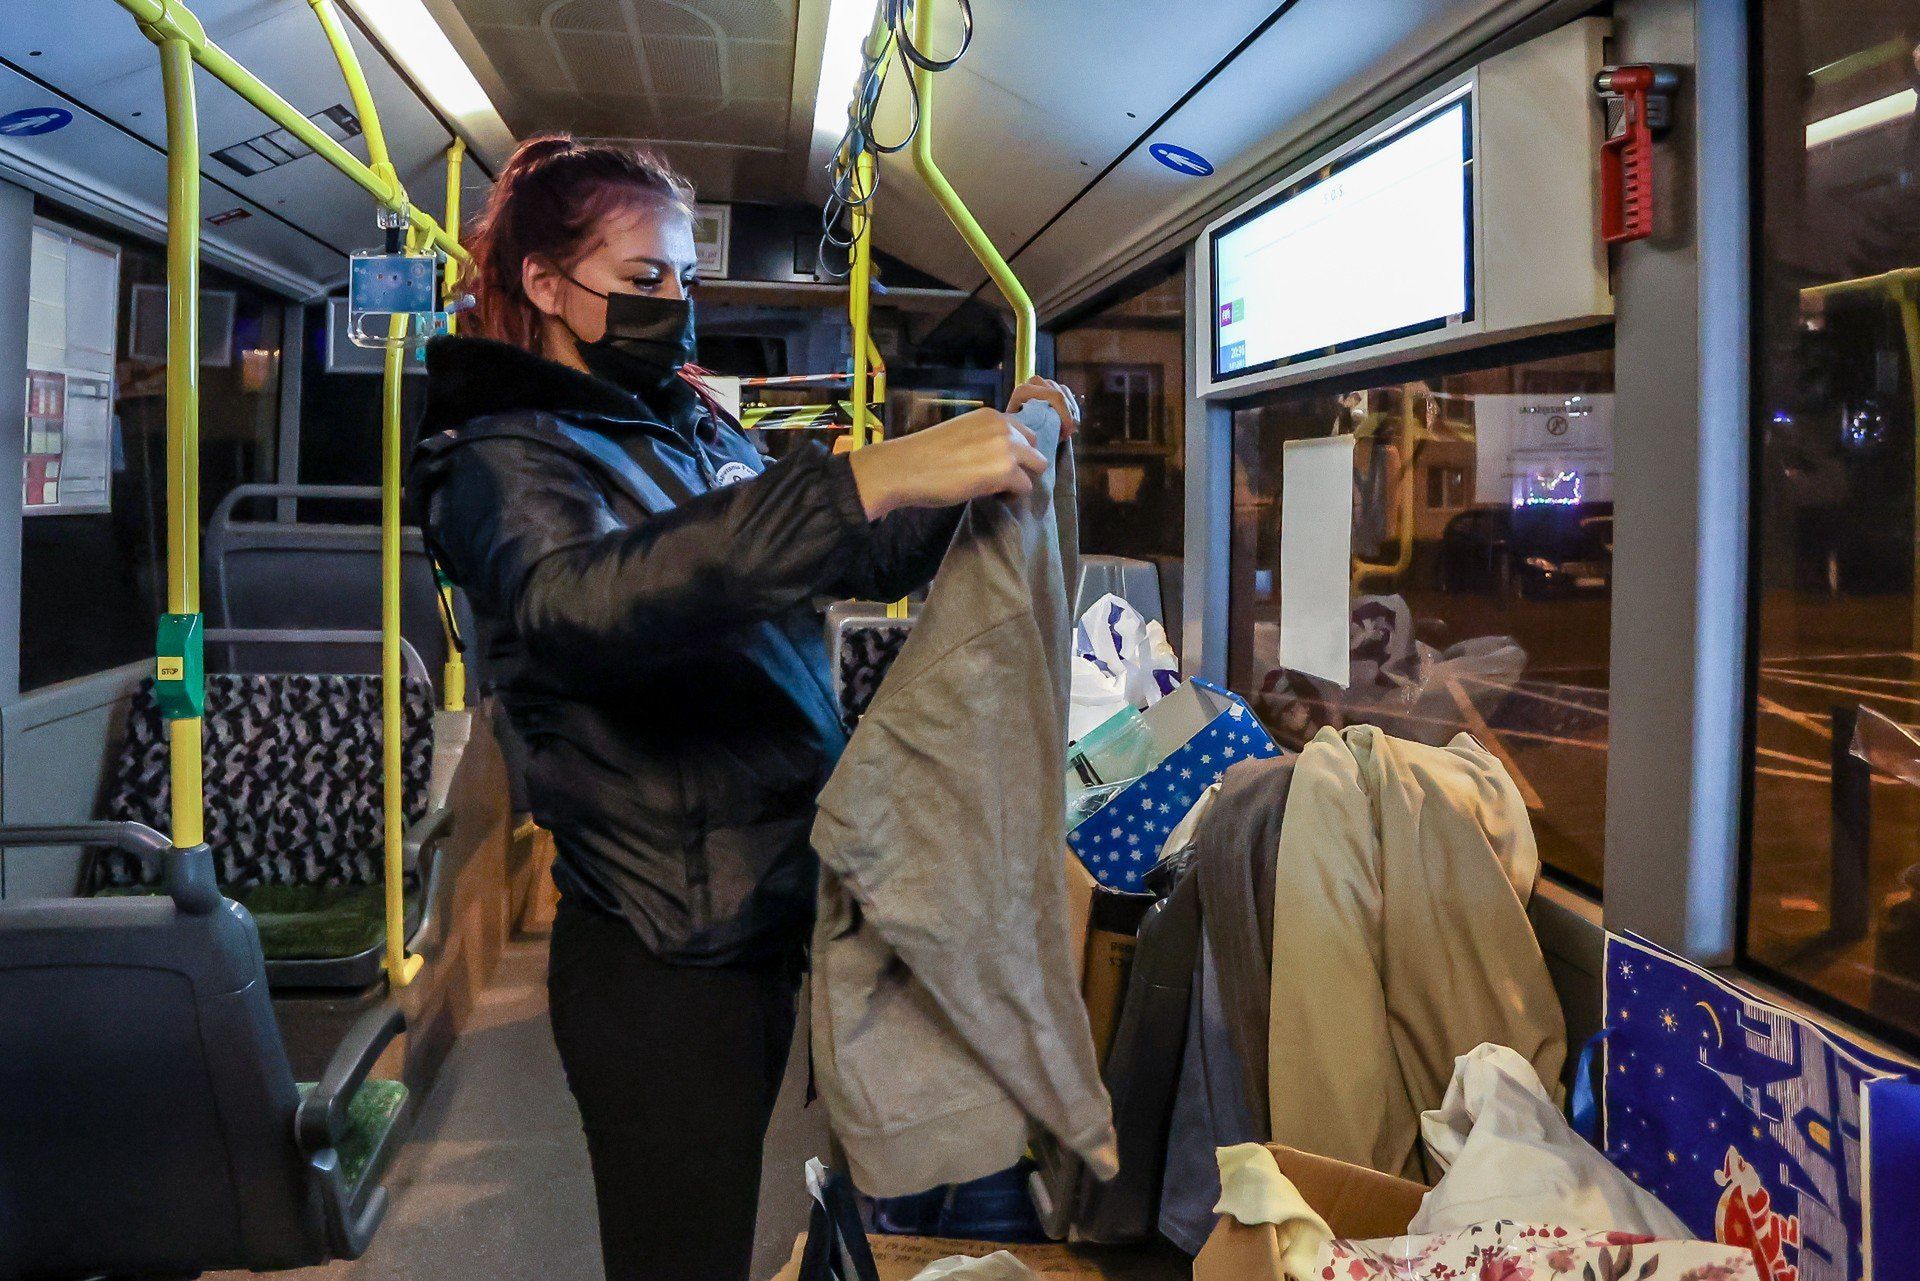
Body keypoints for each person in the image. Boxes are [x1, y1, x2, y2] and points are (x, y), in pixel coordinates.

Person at [407, 135, 1079, 1281]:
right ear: (543, 284)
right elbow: (582, 603)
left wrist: (993, 453)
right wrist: (867, 474)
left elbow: (825, 556)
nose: (672, 303)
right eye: (640, 279)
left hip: (765, 908)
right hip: (662, 950)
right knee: (686, 1252)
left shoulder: (688, 426)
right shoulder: (498, 457)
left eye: (683, 279)